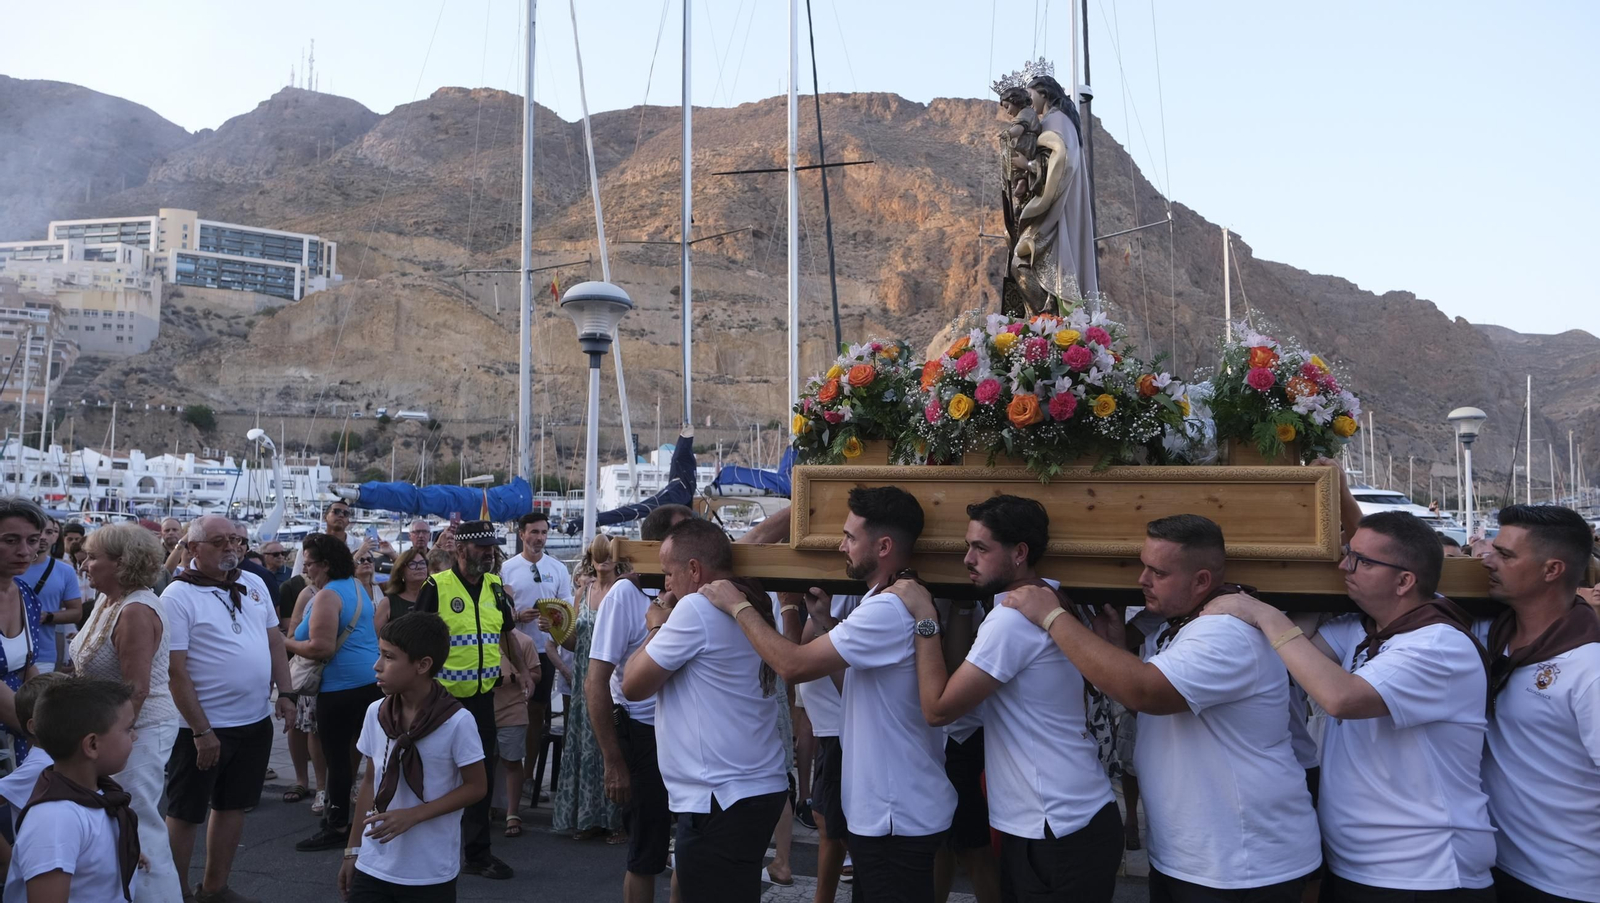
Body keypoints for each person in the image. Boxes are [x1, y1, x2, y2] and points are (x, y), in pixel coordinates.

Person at [1005, 513, 1322, 903]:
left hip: (1241, 866)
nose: (1142, 579)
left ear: (1201, 581)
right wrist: (1119, 653)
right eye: (1143, 566)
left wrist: (1051, 616)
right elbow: (1164, 712)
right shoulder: (1184, 626)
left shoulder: (1224, 632)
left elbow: (1146, 693)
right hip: (1197, 857)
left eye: (1158, 572)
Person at [1202, 510, 1493, 903]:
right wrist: (1300, 594)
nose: (1344, 566)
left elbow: (1341, 698)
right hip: (1359, 864)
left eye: (1362, 561)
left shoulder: (1438, 645)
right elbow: (1292, 656)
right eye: (1347, 553)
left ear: (1405, 581)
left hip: (1424, 872)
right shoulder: (1363, 628)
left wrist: (1263, 614)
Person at [702, 487, 957, 903]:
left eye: (850, 537)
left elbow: (792, 665)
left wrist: (739, 607)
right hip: (890, 813)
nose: (841, 546)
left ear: (885, 546)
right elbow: (855, 689)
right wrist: (825, 625)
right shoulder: (881, 601)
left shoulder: (886, 610)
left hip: (897, 817)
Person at [894, 496, 1117, 903]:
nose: (966, 559)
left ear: (1019, 554)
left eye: (981, 548)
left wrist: (925, 616)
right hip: (1064, 819)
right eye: (967, 546)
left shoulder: (1012, 620)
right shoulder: (1048, 598)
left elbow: (937, 709)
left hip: (1056, 825)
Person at [621, 518, 787, 901]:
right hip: (753, 788)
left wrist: (655, 626)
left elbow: (632, 685)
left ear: (694, 569)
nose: (665, 584)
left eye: (668, 573)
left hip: (720, 797)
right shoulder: (752, 599)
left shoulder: (695, 608)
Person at [163, 514, 297, 903]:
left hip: (254, 720)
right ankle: (174, 893)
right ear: (191, 549)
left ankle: (215, 888)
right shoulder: (177, 596)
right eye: (219, 542)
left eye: (237, 541)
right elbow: (176, 671)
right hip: (202, 728)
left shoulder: (252, 582)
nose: (231, 548)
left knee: (233, 805)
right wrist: (202, 731)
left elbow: (275, 642)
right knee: (186, 813)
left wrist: (286, 694)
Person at [1477, 505, 1600, 903]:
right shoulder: (1492, 634)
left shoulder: (1589, 668)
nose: (1487, 560)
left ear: (1552, 570)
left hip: (1569, 882)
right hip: (1498, 866)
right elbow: (1395, 570)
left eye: (1506, 555)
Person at [411, 520, 537, 881]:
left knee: (477, 777)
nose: (489, 552)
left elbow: (507, 632)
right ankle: (427, 849)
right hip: (442, 701)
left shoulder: (496, 586)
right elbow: (415, 638)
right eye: (482, 546)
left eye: (492, 546)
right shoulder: (436, 586)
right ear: (460, 550)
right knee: (435, 775)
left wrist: (523, 670)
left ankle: (478, 854)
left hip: (483, 700)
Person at [338, 613, 489, 903]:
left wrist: (414, 815)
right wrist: (352, 850)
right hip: (373, 863)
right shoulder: (376, 712)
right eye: (379, 654)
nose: (377, 666)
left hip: (428, 870)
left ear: (423, 665)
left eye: (389, 657)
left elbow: (476, 787)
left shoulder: (457, 721)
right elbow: (370, 781)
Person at [587, 504, 695, 903]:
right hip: (642, 733)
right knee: (646, 852)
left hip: (684, 733)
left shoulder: (694, 591)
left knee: (689, 849)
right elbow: (595, 682)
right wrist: (614, 761)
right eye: (685, 534)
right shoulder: (625, 595)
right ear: (658, 545)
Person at [68, 522, 182, 900]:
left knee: (139, 824)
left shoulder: (134, 610)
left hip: (138, 730)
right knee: (124, 820)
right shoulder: (109, 599)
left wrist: (115, 736)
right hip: (115, 727)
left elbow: (137, 689)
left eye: (94, 557)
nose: (85, 564)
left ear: (120, 563)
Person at [287, 533, 384, 853]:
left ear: (326, 565)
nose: (306, 569)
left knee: (337, 760)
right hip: (368, 682)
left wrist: (282, 642)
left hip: (339, 687)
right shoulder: (356, 586)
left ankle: (337, 824)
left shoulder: (328, 596)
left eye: (310, 563)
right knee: (360, 756)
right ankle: (359, 817)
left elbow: (321, 647)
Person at [5, 678, 140, 903]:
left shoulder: (99, 795)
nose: (134, 736)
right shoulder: (55, 820)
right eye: (128, 729)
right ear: (92, 745)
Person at [552, 540, 626, 840]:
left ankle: (617, 821)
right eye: (599, 555)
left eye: (609, 555)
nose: (603, 560)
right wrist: (556, 628)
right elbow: (574, 643)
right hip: (585, 678)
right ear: (591, 559)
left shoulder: (624, 590)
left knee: (612, 745)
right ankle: (589, 818)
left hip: (614, 679)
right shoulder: (584, 592)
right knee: (586, 746)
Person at [501, 511, 572, 770]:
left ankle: (528, 774)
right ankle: (506, 774)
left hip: (545, 652)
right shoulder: (506, 569)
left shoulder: (559, 569)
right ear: (522, 535)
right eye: (534, 532)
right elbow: (499, 613)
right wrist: (518, 616)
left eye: (543, 532)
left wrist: (552, 622)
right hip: (513, 650)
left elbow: (567, 612)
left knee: (537, 713)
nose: (539, 538)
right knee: (509, 712)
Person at [0, 498, 50, 757]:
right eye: (10, 540)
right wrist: (40, 733)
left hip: (18, 740)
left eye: (32, 541)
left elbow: (28, 667)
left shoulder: (26, 595)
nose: (24, 551)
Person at [0, 671, 72, 832]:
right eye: (67, 712)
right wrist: (10, 856)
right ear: (34, 726)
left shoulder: (68, 757)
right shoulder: (40, 766)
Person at [493, 628, 537, 838]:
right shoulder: (476, 635)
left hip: (513, 708)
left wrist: (513, 677)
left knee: (511, 760)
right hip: (480, 709)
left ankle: (513, 813)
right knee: (483, 762)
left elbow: (536, 673)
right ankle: (485, 806)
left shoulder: (524, 641)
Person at [24, 518, 83, 674]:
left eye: (49, 532)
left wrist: (47, 616)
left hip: (44, 655)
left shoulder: (65, 571)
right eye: (39, 531)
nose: (43, 537)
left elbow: (76, 612)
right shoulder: (10, 566)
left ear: (56, 536)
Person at [376, 548, 430, 632]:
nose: (419, 567)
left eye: (422, 563)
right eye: (412, 564)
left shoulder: (434, 597)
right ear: (401, 571)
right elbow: (375, 638)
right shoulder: (388, 603)